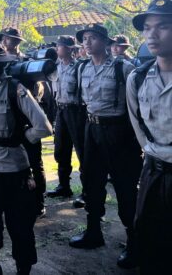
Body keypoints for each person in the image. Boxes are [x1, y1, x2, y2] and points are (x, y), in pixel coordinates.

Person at [0, 43, 52, 275]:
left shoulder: (14, 89)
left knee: (19, 225)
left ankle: (23, 269)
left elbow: (43, 126)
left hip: (12, 169)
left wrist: (22, 137)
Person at [69, 24, 142, 270]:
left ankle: (134, 241)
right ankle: (93, 231)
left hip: (118, 131)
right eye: (84, 39)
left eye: (92, 38)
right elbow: (82, 103)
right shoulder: (82, 68)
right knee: (91, 181)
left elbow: (137, 105)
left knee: (125, 185)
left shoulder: (123, 67)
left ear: (105, 41)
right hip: (93, 129)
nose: (87, 43)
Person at [126, 0, 172, 275]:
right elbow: (137, 126)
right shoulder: (138, 77)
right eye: (147, 28)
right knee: (151, 242)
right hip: (153, 174)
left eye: (163, 27)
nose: (151, 35)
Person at [0, 27, 48, 218]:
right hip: (5, 115)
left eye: (13, 39)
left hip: (26, 114)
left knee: (34, 160)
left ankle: (38, 201)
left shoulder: (28, 62)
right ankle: (14, 199)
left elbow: (39, 88)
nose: (9, 42)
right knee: (8, 159)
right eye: (7, 38)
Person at [47, 36, 87, 208]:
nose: (57, 49)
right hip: (61, 110)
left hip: (76, 111)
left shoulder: (79, 67)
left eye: (60, 46)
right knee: (61, 149)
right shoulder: (55, 67)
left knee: (82, 152)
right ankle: (64, 186)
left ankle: (87, 191)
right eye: (57, 46)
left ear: (70, 49)